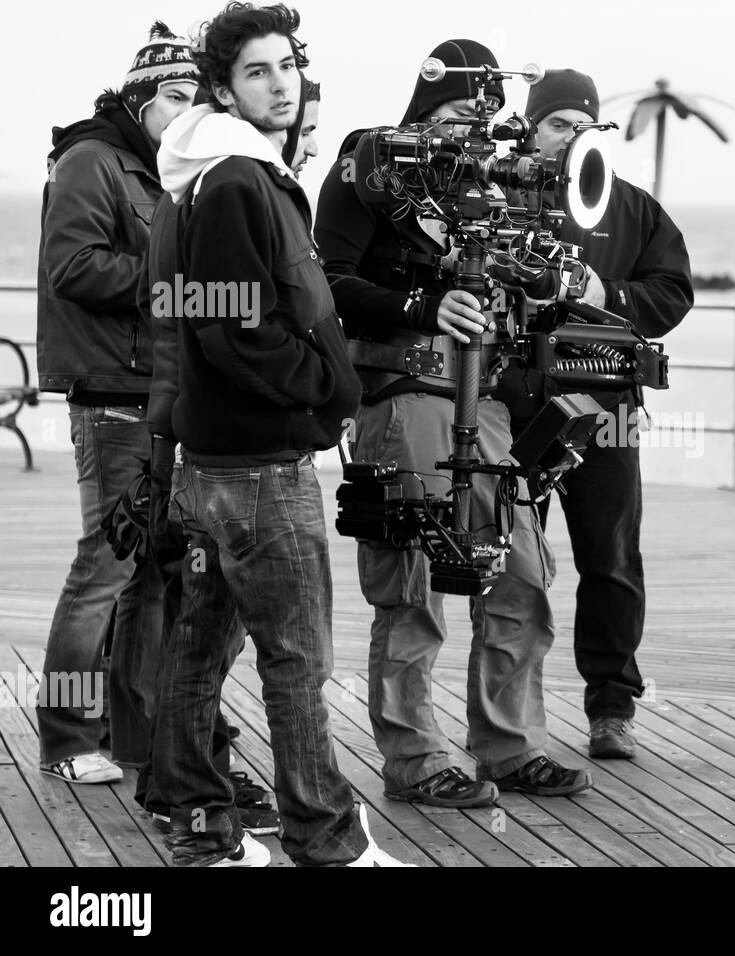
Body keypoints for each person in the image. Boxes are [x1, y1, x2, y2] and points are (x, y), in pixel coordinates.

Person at [151, 1, 407, 866]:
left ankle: (202, 832)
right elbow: (231, 325)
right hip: (260, 464)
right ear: (224, 87)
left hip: (218, 460)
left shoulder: (212, 173)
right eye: (257, 71)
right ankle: (327, 839)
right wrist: (322, 393)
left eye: (287, 66)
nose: (281, 83)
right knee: (296, 659)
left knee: (200, 647)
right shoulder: (232, 179)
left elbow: (204, 318)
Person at [315, 39, 593, 804]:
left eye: (481, 118)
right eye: (453, 115)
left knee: (523, 577)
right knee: (412, 587)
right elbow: (325, 281)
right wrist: (422, 303)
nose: (466, 134)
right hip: (403, 392)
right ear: (420, 108)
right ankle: (414, 760)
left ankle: (509, 746)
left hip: (488, 399)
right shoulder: (369, 165)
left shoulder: (490, 188)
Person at [501, 69, 693, 759]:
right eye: (559, 124)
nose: (573, 137)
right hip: (515, 410)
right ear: (529, 126)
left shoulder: (632, 207)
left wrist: (606, 289)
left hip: (605, 411)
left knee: (611, 562)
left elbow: (674, 291)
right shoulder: (497, 200)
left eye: (584, 126)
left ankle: (612, 709)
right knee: (513, 565)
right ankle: (511, 714)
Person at [35, 21, 199, 786]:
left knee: (154, 576)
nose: (187, 107)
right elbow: (72, 267)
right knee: (103, 570)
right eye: (173, 95)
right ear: (138, 99)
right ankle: (68, 737)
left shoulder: (164, 170)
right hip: (109, 397)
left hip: (158, 395)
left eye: (197, 95)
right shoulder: (90, 162)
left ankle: (137, 736)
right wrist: (172, 277)